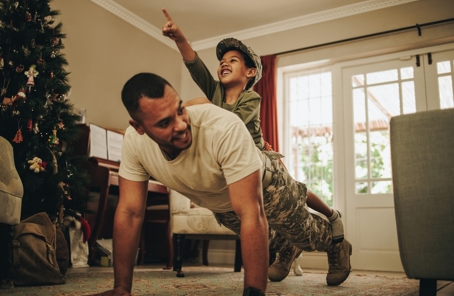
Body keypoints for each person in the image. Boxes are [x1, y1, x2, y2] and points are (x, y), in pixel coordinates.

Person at [89, 72, 352, 296]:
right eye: (165, 122)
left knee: (306, 237)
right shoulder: (135, 143)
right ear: (139, 127)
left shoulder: (223, 127)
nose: (181, 125)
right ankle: (287, 247)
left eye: (180, 109)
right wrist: (122, 288)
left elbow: (251, 211)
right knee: (269, 241)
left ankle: (336, 243)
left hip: (269, 187)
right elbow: (130, 212)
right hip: (223, 204)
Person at [161, 8, 344, 281]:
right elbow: (195, 65)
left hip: (260, 164)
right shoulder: (215, 93)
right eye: (221, 60)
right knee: (257, 226)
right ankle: (285, 249)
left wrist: (201, 104)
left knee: (296, 197)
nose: (224, 63)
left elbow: (231, 125)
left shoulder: (250, 99)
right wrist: (180, 39)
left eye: (232, 60)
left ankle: (336, 240)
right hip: (230, 173)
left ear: (250, 71)